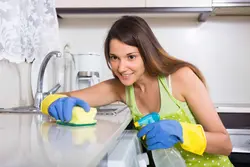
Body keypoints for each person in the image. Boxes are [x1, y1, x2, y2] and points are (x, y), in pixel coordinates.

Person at [41, 16, 234, 166]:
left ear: (147, 53)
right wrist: (52, 103)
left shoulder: (180, 77)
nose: (121, 67)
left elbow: (225, 144)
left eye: (131, 57)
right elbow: (59, 98)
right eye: (114, 57)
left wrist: (181, 132)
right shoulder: (122, 89)